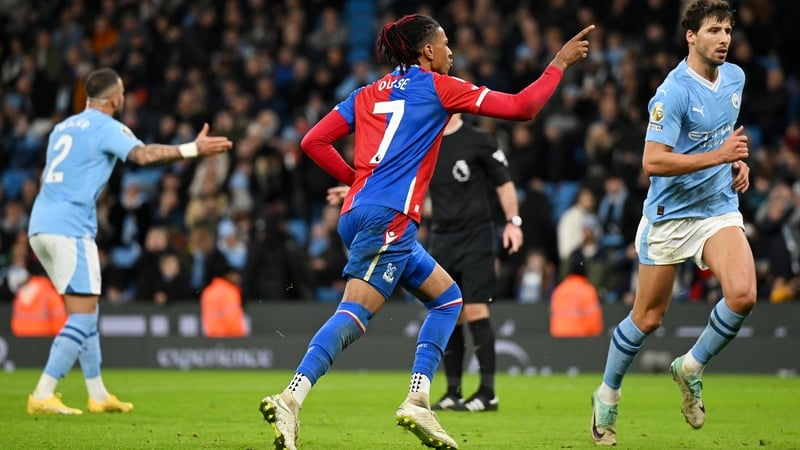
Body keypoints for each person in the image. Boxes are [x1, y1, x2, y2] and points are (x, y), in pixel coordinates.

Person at [258, 13, 594, 450]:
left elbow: (312, 141)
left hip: (361, 214)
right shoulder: (439, 87)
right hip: (391, 218)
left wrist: (357, 183)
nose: (451, 51)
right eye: (446, 43)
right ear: (428, 51)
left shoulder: (366, 92)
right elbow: (522, 108)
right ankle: (291, 397)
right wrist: (559, 63)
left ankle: (418, 399)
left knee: (448, 298)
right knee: (354, 313)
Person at [590, 1, 755, 445]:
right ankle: (607, 393)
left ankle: (690, 367)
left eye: (728, 30)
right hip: (670, 217)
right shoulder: (673, 92)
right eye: (714, 30)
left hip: (716, 209)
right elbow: (652, 162)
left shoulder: (735, 78)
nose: (724, 38)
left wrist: (735, 163)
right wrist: (719, 156)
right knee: (647, 318)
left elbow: (721, 138)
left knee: (743, 295)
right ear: (691, 36)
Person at [26, 68, 232, 415]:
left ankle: (98, 393)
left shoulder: (62, 127)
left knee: (86, 311)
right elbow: (144, 155)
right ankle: (43, 392)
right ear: (114, 98)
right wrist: (191, 149)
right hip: (70, 227)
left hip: (40, 224)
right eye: (122, 93)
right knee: (82, 317)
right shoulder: (106, 126)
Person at [424, 113, 523, 413]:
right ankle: (453, 392)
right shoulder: (426, 140)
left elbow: (504, 183)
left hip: (476, 236)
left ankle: (487, 393)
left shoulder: (478, 140)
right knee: (448, 311)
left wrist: (513, 222)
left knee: (476, 309)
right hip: (441, 238)